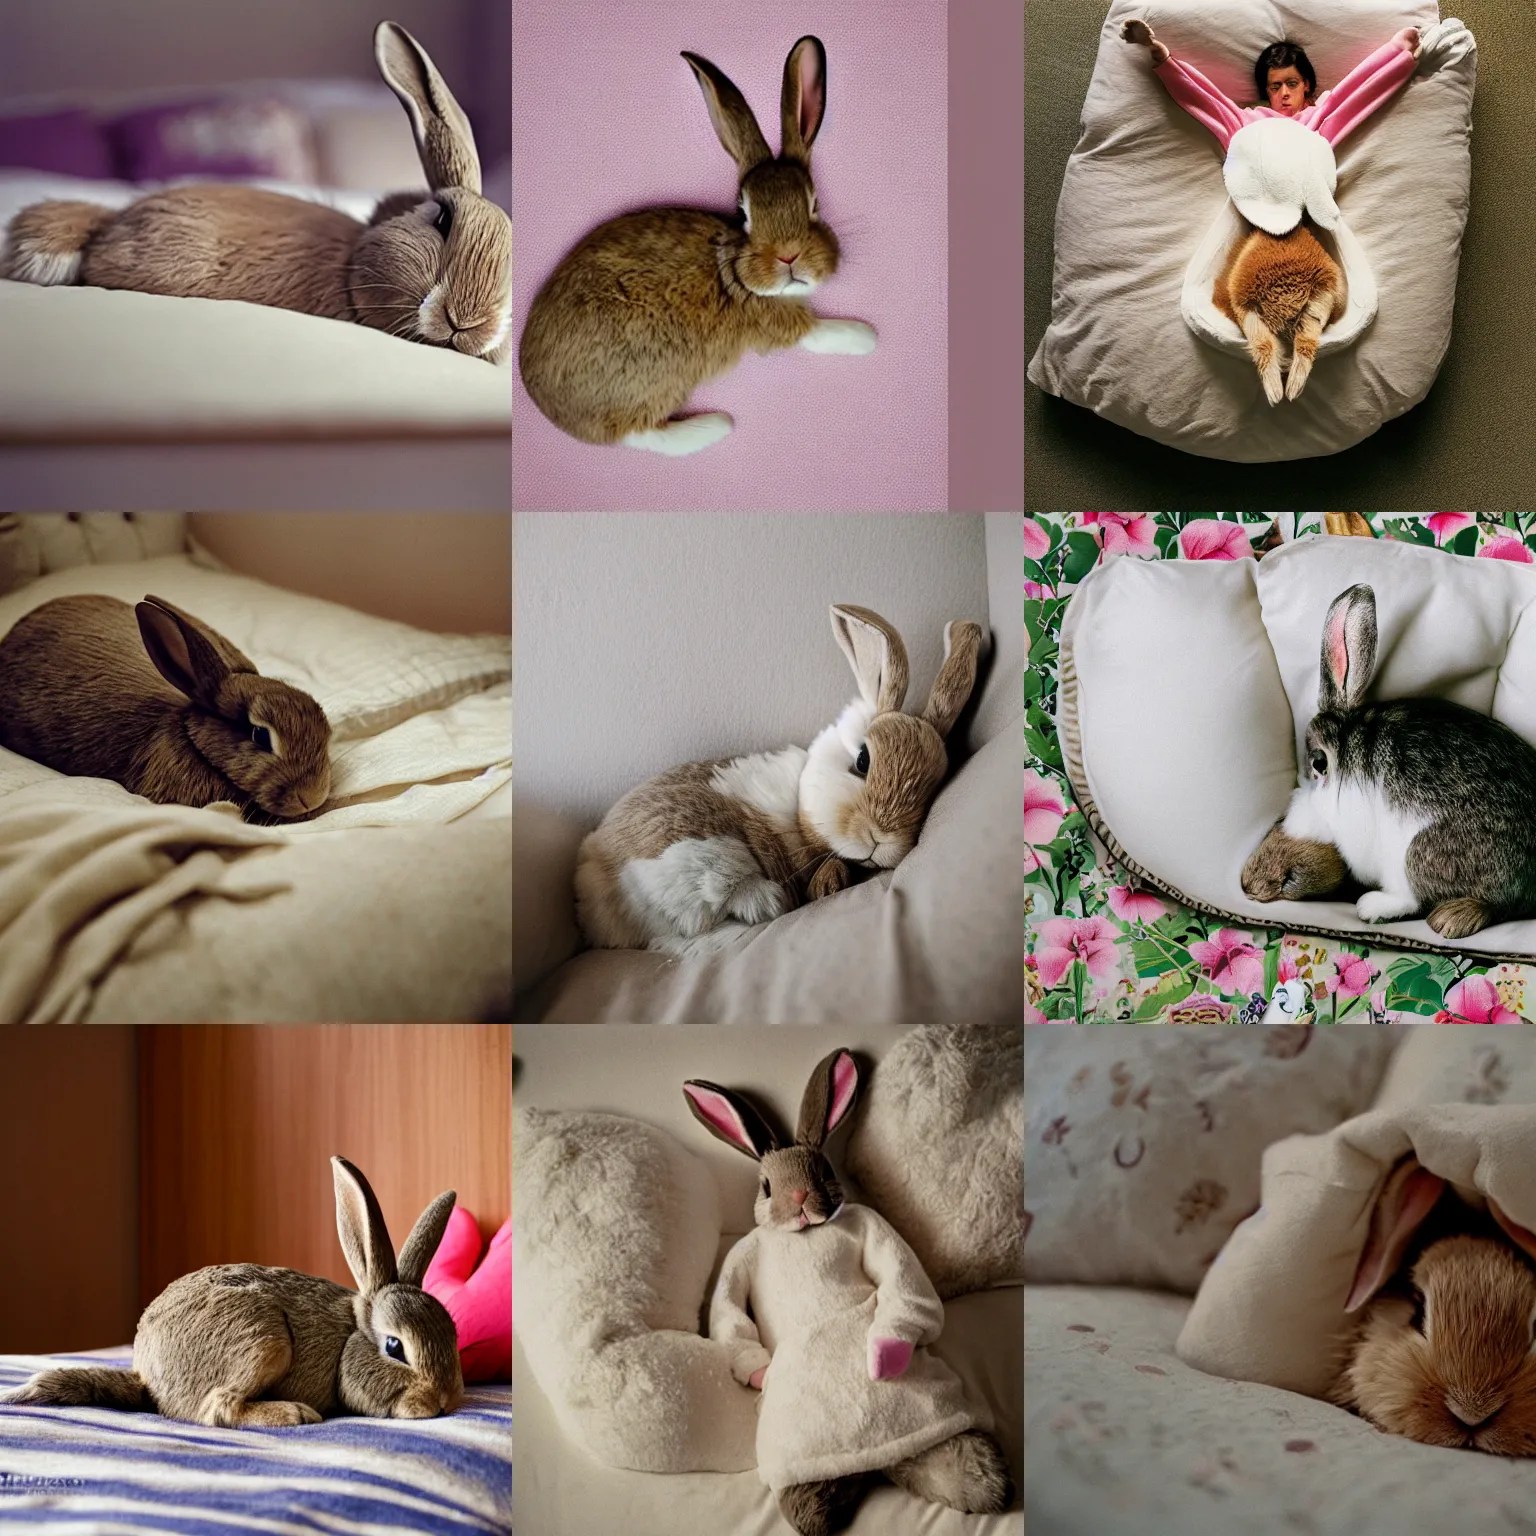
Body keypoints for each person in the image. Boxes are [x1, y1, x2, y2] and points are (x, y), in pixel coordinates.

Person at [1121, 20, 1421, 150]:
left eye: (1291, 83)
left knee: (1346, 101)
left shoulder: (1319, 117)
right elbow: (1207, 101)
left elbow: (1359, 92)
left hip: (1309, 194)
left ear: (1306, 85)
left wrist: (1398, 53)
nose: (1285, 93)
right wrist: (1162, 57)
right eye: (1275, 87)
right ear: (1266, 92)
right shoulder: (1250, 120)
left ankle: (1398, 53)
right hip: (1257, 200)